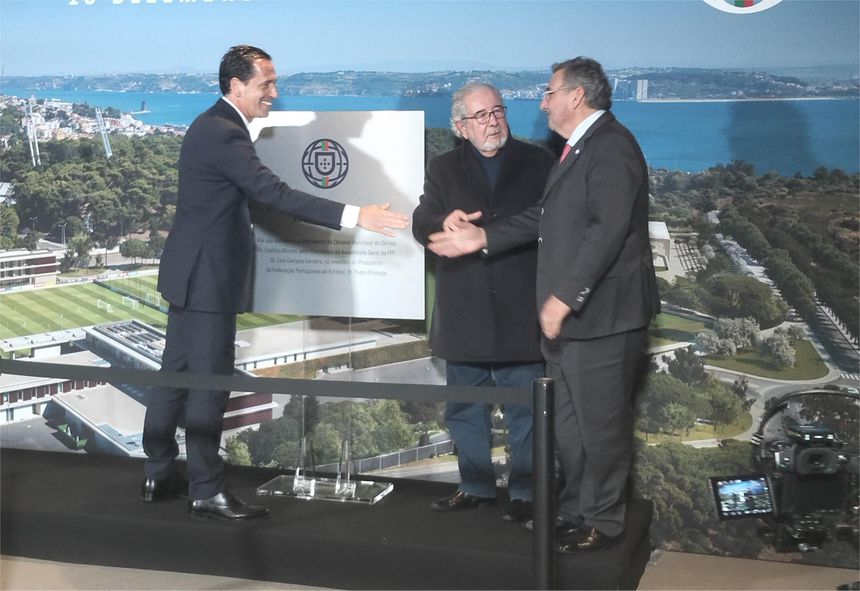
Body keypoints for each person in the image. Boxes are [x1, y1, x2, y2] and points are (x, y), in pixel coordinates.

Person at [141, 45, 409, 520]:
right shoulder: (225, 133)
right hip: (208, 280)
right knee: (207, 386)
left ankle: (158, 472)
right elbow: (273, 194)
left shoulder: (209, 125)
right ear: (235, 85)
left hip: (190, 274)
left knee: (174, 378)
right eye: (266, 84)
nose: (274, 92)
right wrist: (356, 215)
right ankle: (205, 489)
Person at [426, 57, 659, 551]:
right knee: (571, 430)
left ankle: (604, 523)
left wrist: (564, 299)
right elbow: (545, 218)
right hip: (571, 324)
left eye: (550, 93)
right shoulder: (580, 148)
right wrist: (483, 237)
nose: (543, 102)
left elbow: (607, 232)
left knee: (600, 430)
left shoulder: (611, 147)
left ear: (576, 96)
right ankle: (573, 512)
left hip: (601, 318)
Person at [412, 82, 553, 523]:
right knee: (464, 408)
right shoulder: (443, 167)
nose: (493, 121)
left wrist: (488, 237)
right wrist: (442, 220)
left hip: (520, 308)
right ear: (461, 127)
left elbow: (551, 219)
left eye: (498, 111)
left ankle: (527, 493)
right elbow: (421, 220)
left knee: (526, 412)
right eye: (481, 115)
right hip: (464, 310)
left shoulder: (539, 162)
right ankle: (474, 486)